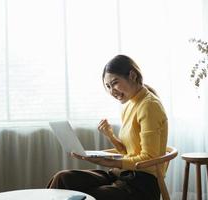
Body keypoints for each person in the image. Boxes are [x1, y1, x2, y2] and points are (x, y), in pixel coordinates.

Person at [47, 54, 168, 200]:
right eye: (108, 86)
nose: (112, 91)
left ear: (133, 75)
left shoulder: (149, 106)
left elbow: (149, 160)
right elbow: (130, 152)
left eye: (115, 83)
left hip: (141, 185)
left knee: (80, 196)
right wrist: (110, 137)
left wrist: (108, 162)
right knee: (63, 179)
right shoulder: (129, 104)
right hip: (122, 174)